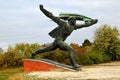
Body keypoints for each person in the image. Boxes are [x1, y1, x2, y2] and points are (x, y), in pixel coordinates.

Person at [31, 5, 98, 70]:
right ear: (70, 20)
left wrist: (93, 22)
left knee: (44, 49)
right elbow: (51, 16)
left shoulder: (73, 26)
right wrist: (42, 9)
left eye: (75, 20)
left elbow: (84, 25)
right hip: (58, 41)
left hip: (58, 42)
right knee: (71, 49)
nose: (75, 21)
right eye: (74, 20)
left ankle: (34, 53)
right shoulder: (63, 23)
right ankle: (74, 65)